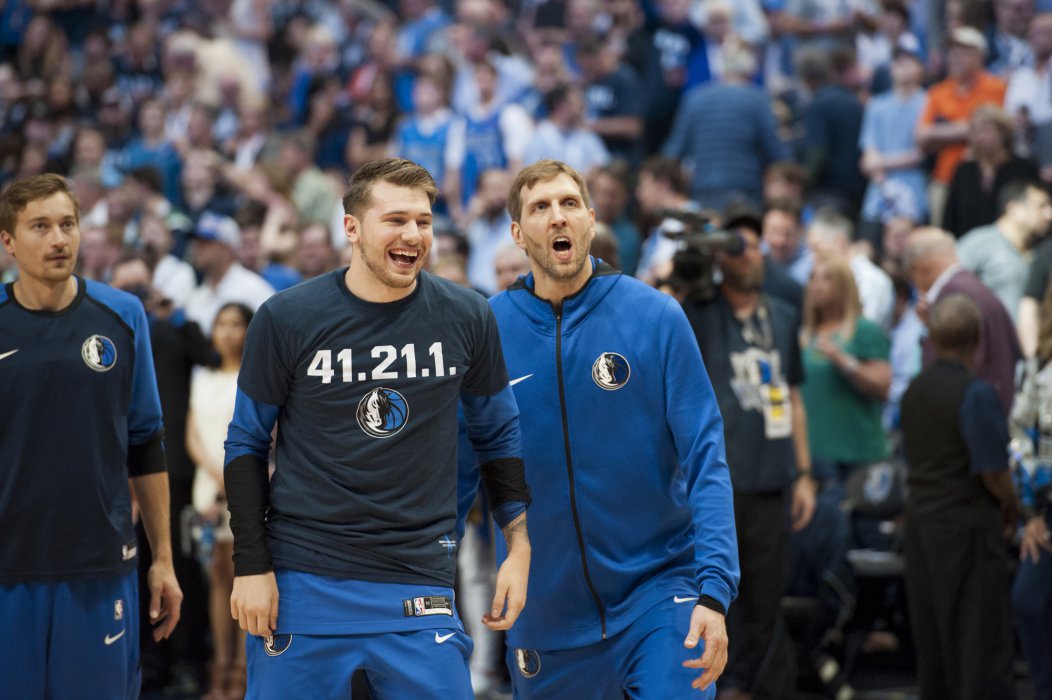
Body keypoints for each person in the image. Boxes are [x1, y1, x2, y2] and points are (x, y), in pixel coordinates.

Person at [222, 158, 532, 698]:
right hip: (303, 576)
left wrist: (518, 544)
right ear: (352, 227)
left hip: (419, 578)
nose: (414, 235)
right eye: (395, 220)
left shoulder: (467, 315)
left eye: (424, 221)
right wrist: (250, 565)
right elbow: (246, 442)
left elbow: (498, 435)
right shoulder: (286, 316)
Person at [475, 159, 738, 697]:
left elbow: (706, 457)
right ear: (517, 234)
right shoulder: (487, 331)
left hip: (659, 592)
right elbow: (454, 472)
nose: (557, 218)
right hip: (543, 610)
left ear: (592, 220)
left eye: (569, 204)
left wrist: (713, 592)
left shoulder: (656, 317)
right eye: (540, 208)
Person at [0, 173, 183, 696]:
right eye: (40, 226)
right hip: (8, 570)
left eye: (68, 224)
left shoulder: (123, 316)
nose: (59, 239)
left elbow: (145, 443)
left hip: (100, 568)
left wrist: (164, 561)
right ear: (8, 241)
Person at [680, 209, 817, 697]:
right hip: (715, 481)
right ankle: (724, 685)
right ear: (718, 257)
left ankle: (763, 686)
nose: (750, 254)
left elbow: (794, 395)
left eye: (754, 246)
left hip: (771, 476)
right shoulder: (696, 312)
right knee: (718, 594)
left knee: (767, 595)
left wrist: (803, 473)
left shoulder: (780, 313)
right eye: (737, 246)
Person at [900, 293, 1019, 699]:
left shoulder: (913, 390)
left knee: (933, 643)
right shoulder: (977, 394)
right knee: (978, 645)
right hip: (966, 530)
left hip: (920, 529)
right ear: (978, 339)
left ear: (931, 337)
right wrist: (1015, 505)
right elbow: (992, 472)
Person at [188, 303, 254, 700]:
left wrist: (232, 479)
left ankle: (244, 676)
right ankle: (220, 669)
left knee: (246, 578)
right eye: (221, 324)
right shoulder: (202, 376)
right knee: (215, 580)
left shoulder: (254, 378)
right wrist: (215, 476)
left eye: (235, 325)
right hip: (206, 490)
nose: (227, 332)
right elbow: (191, 436)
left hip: (244, 487)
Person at [904, 227, 1022, 413]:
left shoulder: (953, 298)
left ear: (920, 268)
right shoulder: (977, 289)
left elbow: (948, 371)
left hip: (968, 420)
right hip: (991, 412)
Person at [799, 256, 892, 486]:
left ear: (844, 284)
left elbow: (883, 387)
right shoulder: (805, 335)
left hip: (857, 456)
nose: (817, 284)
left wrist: (846, 363)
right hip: (814, 457)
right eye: (813, 278)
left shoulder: (864, 330)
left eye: (827, 278)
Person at [1009, 280, 1052, 700]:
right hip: (1048, 511)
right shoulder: (1042, 363)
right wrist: (1031, 511)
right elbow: (1018, 431)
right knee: (1029, 601)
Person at [957, 178, 1052, 320]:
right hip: (987, 338)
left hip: (1028, 340)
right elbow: (950, 286)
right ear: (1014, 208)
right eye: (1041, 206)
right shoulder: (979, 242)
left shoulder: (1042, 251)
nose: (1049, 215)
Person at [942, 106, 1040, 238]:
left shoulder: (1024, 167)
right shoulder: (963, 171)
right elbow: (950, 218)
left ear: (1003, 132)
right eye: (975, 131)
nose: (980, 136)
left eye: (986, 130)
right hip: (969, 247)